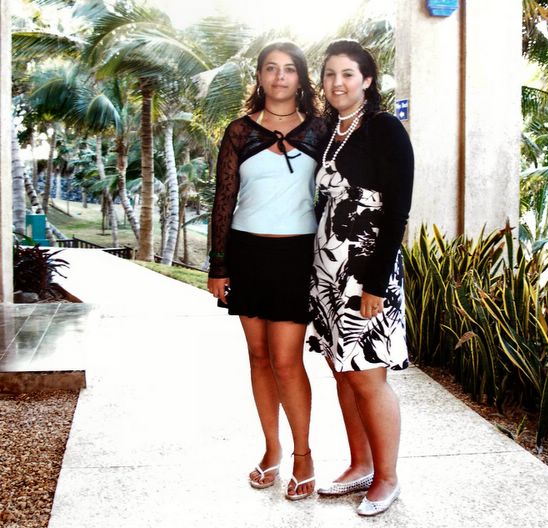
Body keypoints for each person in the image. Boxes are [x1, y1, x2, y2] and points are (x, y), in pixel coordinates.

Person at [207, 41, 326, 500]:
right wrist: (218, 265)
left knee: (287, 360)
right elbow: (223, 199)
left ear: (300, 78)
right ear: (259, 76)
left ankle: (303, 455)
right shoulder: (239, 131)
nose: (280, 76)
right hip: (247, 254)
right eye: (271, 68)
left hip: (297, 255)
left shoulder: (321, 129)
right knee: (258, 357)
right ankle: (271, 449)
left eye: (289, 69)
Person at [308, 39, 414, 516]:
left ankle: (387, 478)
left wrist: (375, 284)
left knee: (369, 376)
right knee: (342, 371)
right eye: (330, 74)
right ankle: (360, 465)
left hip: (367, 272)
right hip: (328, 272)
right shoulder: (330, 131)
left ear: (367, 80)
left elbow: (396, 213)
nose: (337, 82)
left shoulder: (383, 128)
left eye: (348, 74)